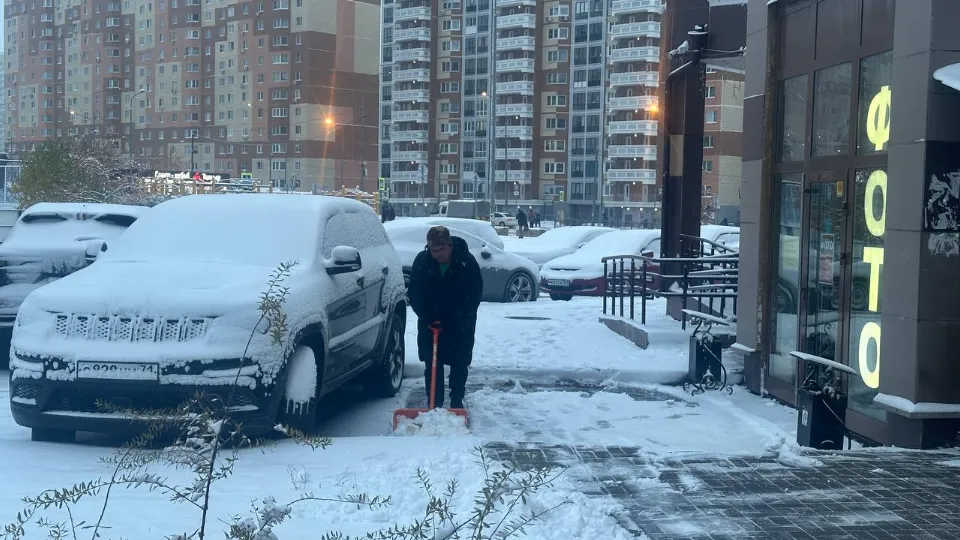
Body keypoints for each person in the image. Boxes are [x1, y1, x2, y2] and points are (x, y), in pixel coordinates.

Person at [407, 225, 483, 409]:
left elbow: (474, 294)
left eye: (442, 249)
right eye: (434, 250)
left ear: (449, 244)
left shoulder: (466, 262)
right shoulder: (422, 262)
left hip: (459, 323)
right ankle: (434, 404)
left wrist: (455, 317)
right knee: (432, 363)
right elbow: (415, 293)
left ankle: (456, 402)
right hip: (429, 323)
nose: (439, 254)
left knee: (459, 362)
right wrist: (427, 317)